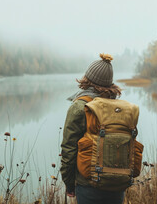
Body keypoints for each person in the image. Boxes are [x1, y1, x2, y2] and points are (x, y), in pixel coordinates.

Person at [60, 54, 126, 204]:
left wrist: (69, 183)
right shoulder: (118, 107)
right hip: (117, 185)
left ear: (87, 79)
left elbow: (69, 149)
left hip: (88, 185)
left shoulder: (79, 107)